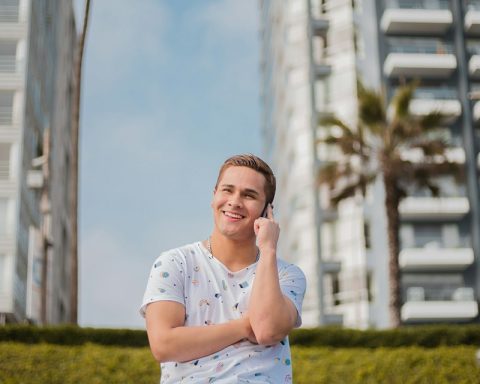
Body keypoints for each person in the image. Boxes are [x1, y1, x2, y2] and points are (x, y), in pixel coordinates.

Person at [140, 154, 306, 383]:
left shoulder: (287, 275)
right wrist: (244, 327)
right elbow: (164, 345)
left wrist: (268, 249)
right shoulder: (174, 263)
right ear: (214, 196)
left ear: (267, 211)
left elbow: (267, 330)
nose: (235, 201)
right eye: (227, 190)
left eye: (249, 195)